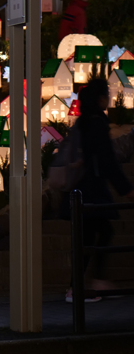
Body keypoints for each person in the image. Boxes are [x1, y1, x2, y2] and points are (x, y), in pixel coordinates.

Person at [67, 79, 134, 303]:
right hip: (93, 189)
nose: (110, 98)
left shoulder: (83, 122)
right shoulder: (97, 124)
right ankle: (86, 285)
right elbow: (107, 160)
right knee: (99, 234)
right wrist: (126, 189)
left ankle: (84, 284)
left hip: (82, 188)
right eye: (107, 94)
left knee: (92, 235)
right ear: (99, 99)